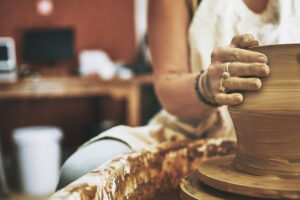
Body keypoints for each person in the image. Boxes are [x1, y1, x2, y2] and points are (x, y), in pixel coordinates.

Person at [57, 0, 300, 189]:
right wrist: (207, 85)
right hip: (194, 129)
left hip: (289, 139)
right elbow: (168, 85)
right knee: (81, 171)